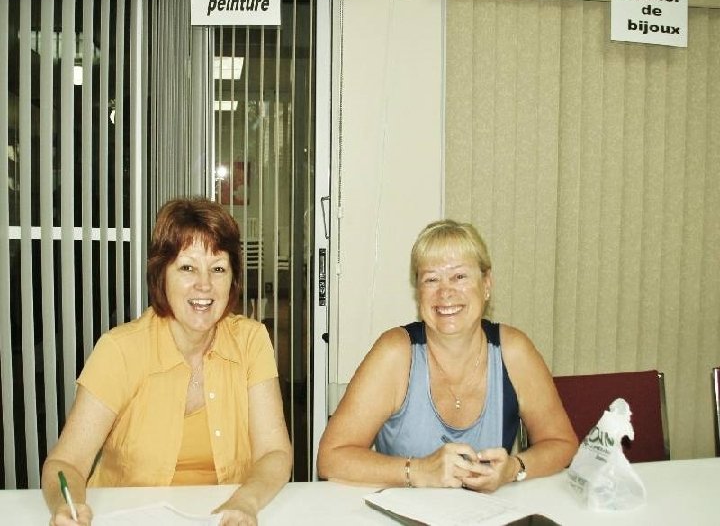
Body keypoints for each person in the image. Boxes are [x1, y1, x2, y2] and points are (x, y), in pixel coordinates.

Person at [42, 197, 292, 526]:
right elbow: (66, 462)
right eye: (187, 267)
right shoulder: (120, 350)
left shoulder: (251, 340)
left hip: (225, 516)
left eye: (218, 269)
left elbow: (274, 452)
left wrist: (246, 502)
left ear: (233, 279)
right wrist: (67, 507)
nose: (204, 284)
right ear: (162, 274)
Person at [317, 219, 578, 492]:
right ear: (419, 293)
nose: (445, 292)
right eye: (431, 279)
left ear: (486, 284)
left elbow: (562, 444)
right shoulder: (394, 354)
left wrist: (514, 468)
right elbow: (331, 458)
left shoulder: (514, 351)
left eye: (459, 276)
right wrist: (417, 471)